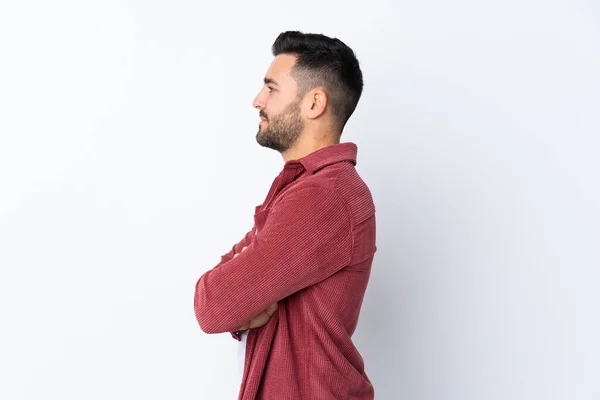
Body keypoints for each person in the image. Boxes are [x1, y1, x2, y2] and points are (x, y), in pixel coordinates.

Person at [194, 30, 376, 400]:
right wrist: (244, 298)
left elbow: (212, 304)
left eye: (272, 88)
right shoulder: (300, 190)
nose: (257, 100)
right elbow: (225, 295)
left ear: (314, 103)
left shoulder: (324, 197)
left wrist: (243, 298)